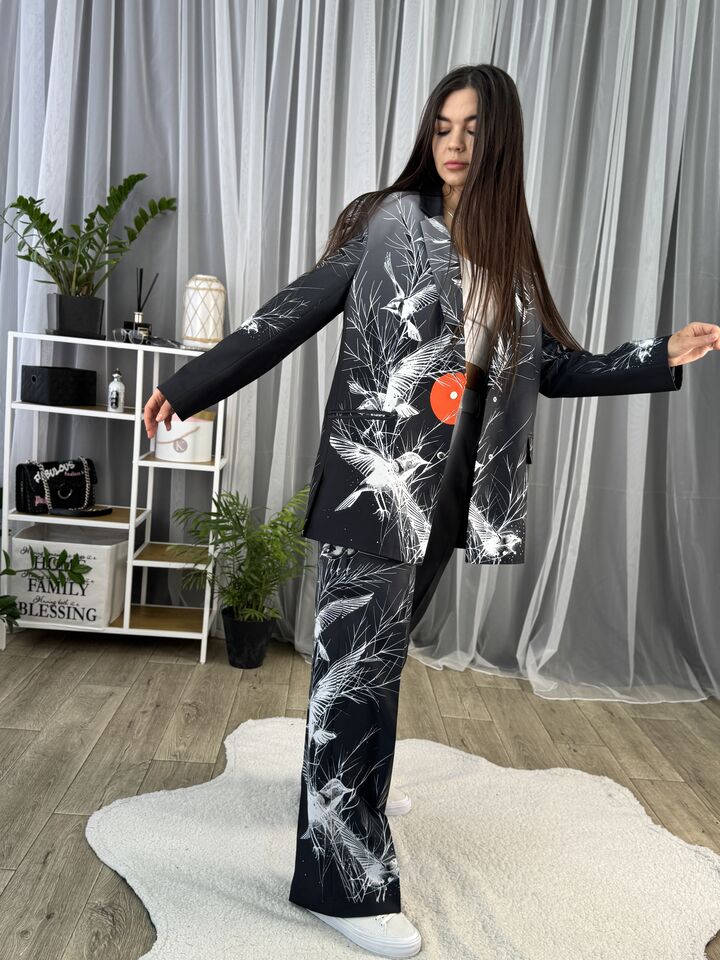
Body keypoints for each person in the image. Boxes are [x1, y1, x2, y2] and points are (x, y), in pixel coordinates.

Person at [144, 64, 718, 959]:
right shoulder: (387, 224)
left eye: (472, 130)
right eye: (442, 127)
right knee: (354, 678)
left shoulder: (510, 259)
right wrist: (190, 387)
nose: (453, 144)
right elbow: (291, 312)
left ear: (500, 144)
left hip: (453, 498)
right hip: (377, 487)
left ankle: (355, 793)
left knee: (374, 669)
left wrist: (657, 356)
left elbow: (551, 369)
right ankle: (342, 883)